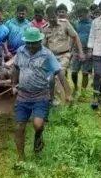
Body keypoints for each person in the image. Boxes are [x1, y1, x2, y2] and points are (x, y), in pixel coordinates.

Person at [12, 27, 73, 162]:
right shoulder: (20, 51)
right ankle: (21, 158)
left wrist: (68, 93)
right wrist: (13, 85)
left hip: (41, 95)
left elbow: (60, 73)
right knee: (18, 127)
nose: (31, 46)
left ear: (40, 41)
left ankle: (38, 136)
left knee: (38, 125)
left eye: (34, 43)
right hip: (23, 95)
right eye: (29, 43)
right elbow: (15, 68)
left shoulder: (47, 55)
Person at [42, 6, 85, 105]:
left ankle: (56, 102)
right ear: (46, 17)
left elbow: (75, 37)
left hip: (64, 55)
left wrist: (81, 52)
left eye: (54, 17)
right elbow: (43, 45)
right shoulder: (44, 29)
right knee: (50, 78)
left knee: (58, 75)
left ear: (57, 15)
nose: (52, 19)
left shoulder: (65, 23)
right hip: (51, 57)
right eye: (50, 17)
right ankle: (55, 97)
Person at [70, 6, 93, 94]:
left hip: (88, 50)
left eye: (83, 15)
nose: (81, 17)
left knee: (85, 73)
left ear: (87, 14)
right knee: (74, 72)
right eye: (79, 16)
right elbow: (73, 37)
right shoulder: (76, 24)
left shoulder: (92, 24)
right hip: (76, 50)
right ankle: (75, 87)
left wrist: (91, 50)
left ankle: (83, 91)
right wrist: (70, 50)